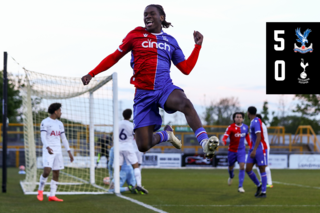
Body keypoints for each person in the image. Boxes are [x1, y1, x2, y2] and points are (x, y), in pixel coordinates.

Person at [81, 4, 219, 159]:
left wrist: (197, 46)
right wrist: (92, 73)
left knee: (185, 103)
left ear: (161, 17)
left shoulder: (170, 41)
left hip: (164, 88)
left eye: (152, 13)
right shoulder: (134, 35)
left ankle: (205, 143)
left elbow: (186, 69)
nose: (147, 16)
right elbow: (114, 57)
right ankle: (166, 135)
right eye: (145, 14)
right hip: (143, 94)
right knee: (143, 145)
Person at [37, 103, 74, 202]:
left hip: (58, 150)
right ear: (56, 111)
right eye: (60, 111)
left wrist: (69, 151)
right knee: (47, 171)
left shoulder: (60, 123)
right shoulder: (45, 122)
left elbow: (64, 138)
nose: (61, 113)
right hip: (48, 150)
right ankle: (40, 191)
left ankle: (52, 195)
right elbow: (43, 137)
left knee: (56, 172)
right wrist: (48, 147)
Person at [118, 109, 148, 194]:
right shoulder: (132, 125)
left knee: (118, 167)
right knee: (136, 166)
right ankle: (138, 185)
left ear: (122, 115)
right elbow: (137, 138)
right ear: (130, 116)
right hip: (129, 148)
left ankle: (116, 184)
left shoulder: (117, 124)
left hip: (118, 147)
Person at [222, 112, 251, 193]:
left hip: (241, 150)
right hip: (231, 151)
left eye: (240, 117)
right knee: (231, 167)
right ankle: (231, 176)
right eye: (237, 117)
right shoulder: (230, 127)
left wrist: (250, 144)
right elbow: (225, 136)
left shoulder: (245, 127)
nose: (239, 118)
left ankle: (240, 186)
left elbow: (247, 137)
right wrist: (224, 140)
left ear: (242, 118)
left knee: (242, 166)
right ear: (234, 118)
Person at [246, 106, 268, 198]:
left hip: (259, 149)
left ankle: (263, 192)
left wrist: (254, 150)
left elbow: (259, 136)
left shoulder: (255, 121)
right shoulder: (253, 121)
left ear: (248, 113)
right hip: (253, 148)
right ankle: (258, 185)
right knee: (248, 169)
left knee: (262, 169)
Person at [256, 114, 273, 188]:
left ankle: (269, 182)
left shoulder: (261, 126)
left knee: (265, 165)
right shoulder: (259, 125)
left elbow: (258, 138)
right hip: (258, 148)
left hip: (263, 148)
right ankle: (263, 180)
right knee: (257, 165)